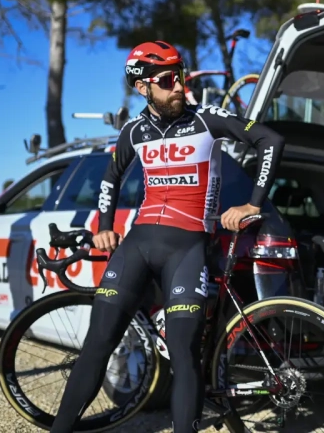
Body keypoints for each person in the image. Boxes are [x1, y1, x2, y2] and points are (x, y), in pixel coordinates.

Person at [51, 40, 285, 433]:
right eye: (165, 79)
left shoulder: (207, 119)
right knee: (96, 346)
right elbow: (110, 178)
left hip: (188, 249)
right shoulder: (133, 131)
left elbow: (271, 141)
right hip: (137, 246)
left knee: (184, 355)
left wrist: (252, 204)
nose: (178, 85)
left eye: (179, 75)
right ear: (142, 87)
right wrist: (105, 226)